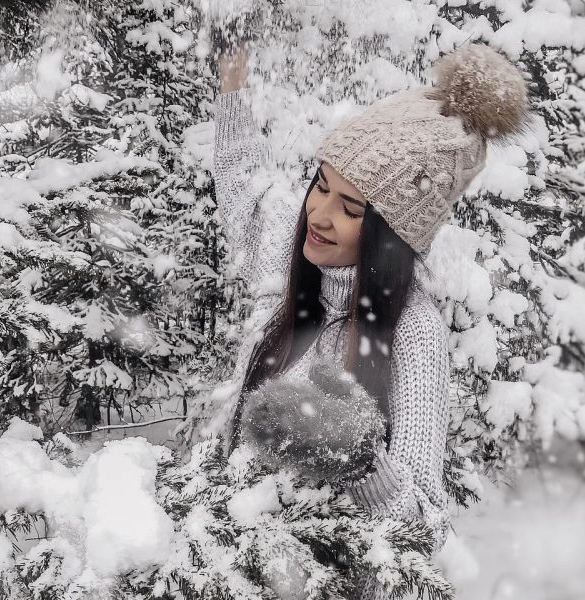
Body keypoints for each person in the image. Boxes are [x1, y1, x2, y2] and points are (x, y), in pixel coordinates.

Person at [212, 38, 530, 598]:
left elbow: (422, 532)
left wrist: (360, 462)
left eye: (351, 209)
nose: (320, 213)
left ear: (393, 233)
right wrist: (232, 90)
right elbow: (244, 193)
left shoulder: (413, 335)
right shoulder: (294, 268)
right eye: (322, 186)